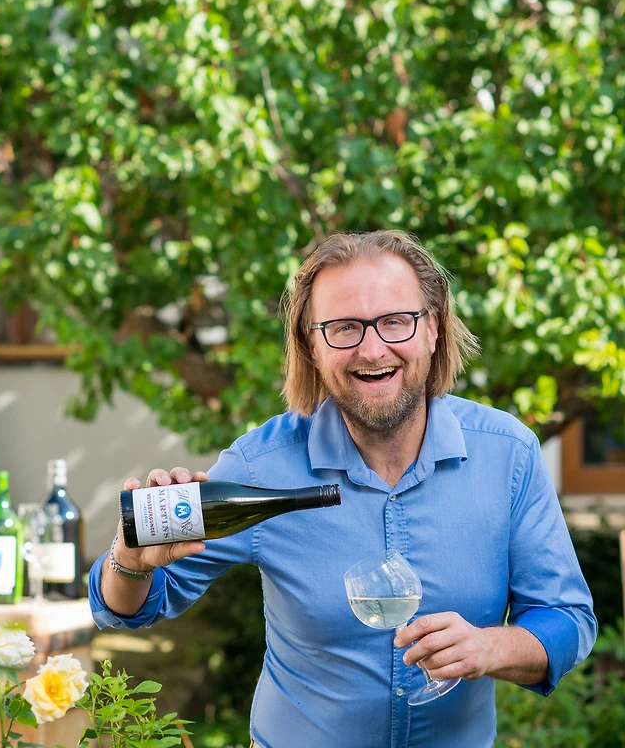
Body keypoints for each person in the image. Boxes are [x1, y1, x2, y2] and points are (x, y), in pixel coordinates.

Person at [88, 230, 596, 747]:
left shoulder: (508, 454)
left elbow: (567, 619)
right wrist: (130, 563)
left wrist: (489, 648)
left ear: (434, 328)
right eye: (343, 328)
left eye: (395, 321)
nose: (372, 350)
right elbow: (125, 607)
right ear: (311, 346)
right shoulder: (260, 467)